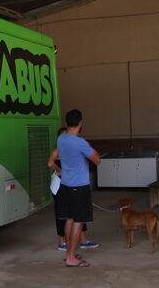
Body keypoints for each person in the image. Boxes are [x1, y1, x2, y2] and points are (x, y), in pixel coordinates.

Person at [56, 109, 101, 268]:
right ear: (81, 123)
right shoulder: (80, 142)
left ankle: (70, 253)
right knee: (79, 221)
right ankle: (71, 258)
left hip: (65, 185)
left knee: (69, 219)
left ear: (66, 123)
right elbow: (97, 160)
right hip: (79, 186)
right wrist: (90, 148)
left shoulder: (61, 139)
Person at [47, 127, 98, 252]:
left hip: (74, 185)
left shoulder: (72, 149)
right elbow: (50, 163)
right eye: (65, 135)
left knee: (79, 215)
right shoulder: (59, 149)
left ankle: (83, 240)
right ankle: (62, 242)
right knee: (63, 216)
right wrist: (59, 170)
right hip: (60, 186)